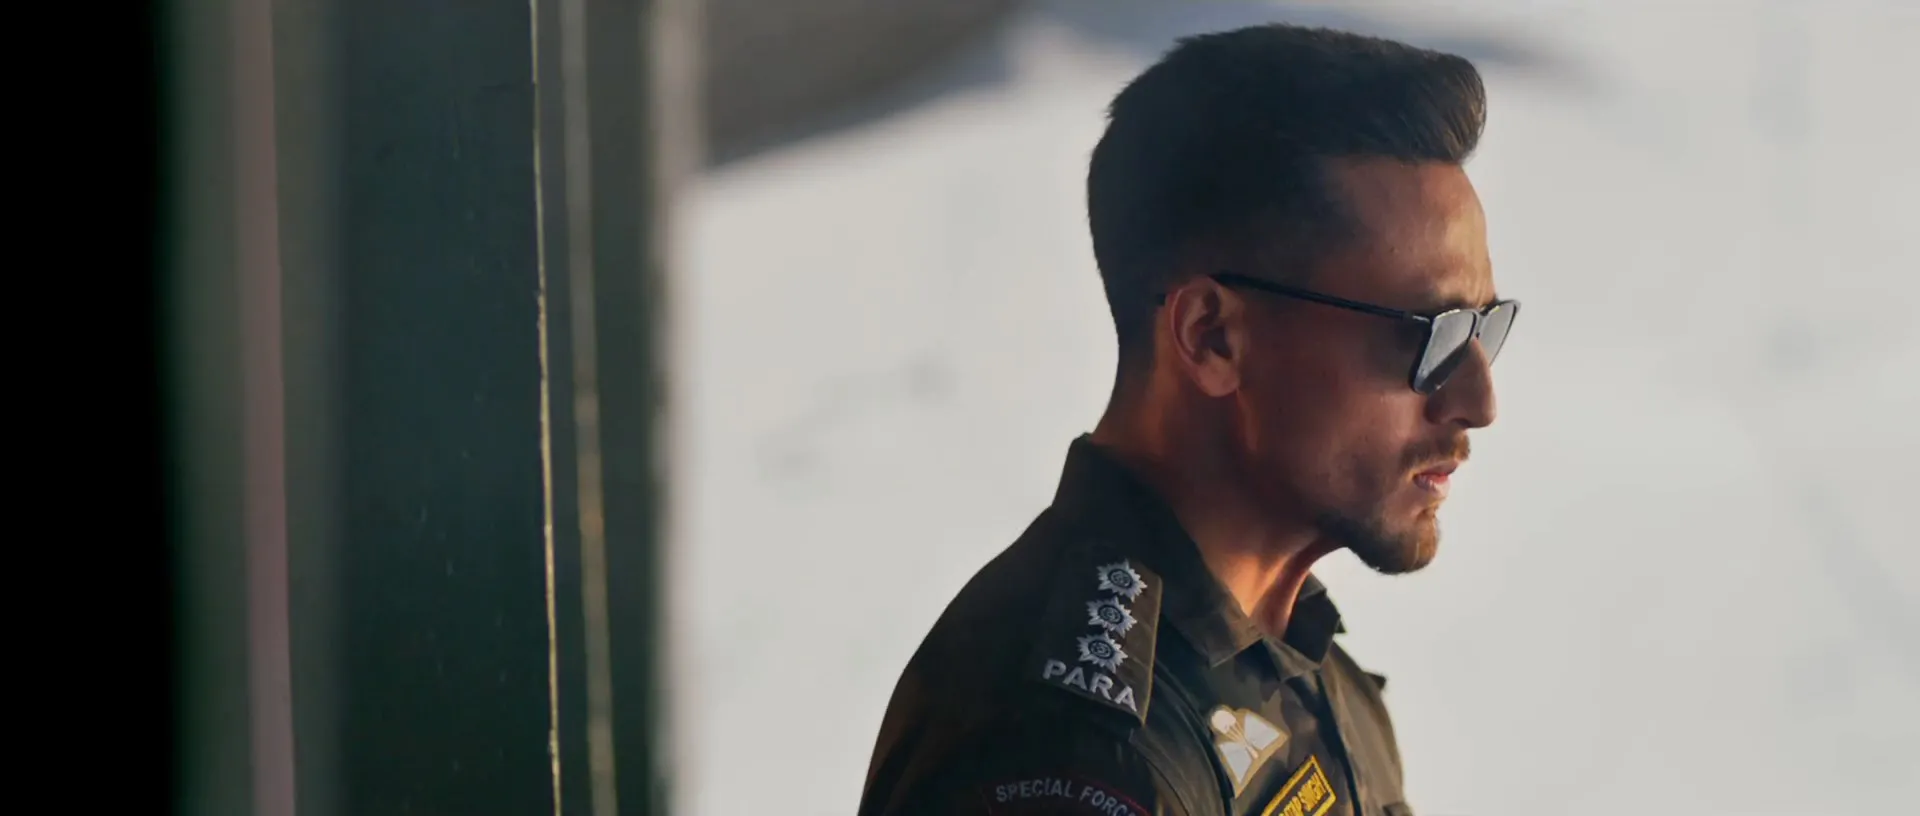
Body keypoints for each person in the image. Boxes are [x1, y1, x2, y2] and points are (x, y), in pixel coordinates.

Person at [856, 22, 1519, 816]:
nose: (1478, 402)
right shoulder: (1072, 754)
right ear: (1212, 337)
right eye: (1431, 335)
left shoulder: (1291, 656)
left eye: (1484, 329)